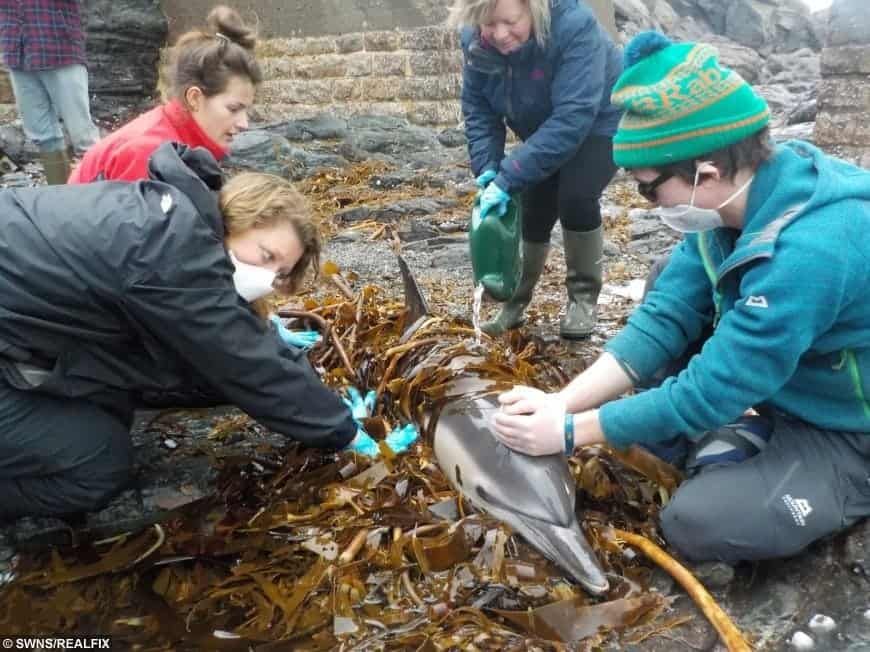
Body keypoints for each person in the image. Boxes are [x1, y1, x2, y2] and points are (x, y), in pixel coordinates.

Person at [491, 32, 870, 565]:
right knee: (669, 274)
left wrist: (573, 434)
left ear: (708, 173)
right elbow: (662, 319)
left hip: (849, 428)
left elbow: (711, 390)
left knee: (696, 524)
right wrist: (563, 404)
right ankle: (729, 430)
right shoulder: (736, 203)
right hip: (790, 384)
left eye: (650, 188)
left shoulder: (815, 249)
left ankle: (834, 477)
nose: (648, 204)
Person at [0, 142, 413, 521]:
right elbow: (245, 365)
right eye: (266, 255)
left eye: (280, 272)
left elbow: (229, 346)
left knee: (112, 407)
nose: (268, 276)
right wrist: (347, 434)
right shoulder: (170, 249)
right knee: (99, 463)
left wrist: (320, 396)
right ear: (238, 218)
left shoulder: (175, 216)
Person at [449, 0, 623, 339]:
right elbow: (479, 108)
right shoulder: (474, 39)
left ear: (534, 8)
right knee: (533, 205)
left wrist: (511, 173)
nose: (499, 34)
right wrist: (488, 168)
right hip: (540, 123)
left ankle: (582, 298)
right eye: (488, 25)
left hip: (599, 121)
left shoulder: (574, 27)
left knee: (576, 197)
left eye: (509, 22)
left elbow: (573, 116)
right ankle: (514, 301)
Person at [68, 5, 258, 184]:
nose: (244, 124)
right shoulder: (149, 154)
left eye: (246, 110)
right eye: (233, 108)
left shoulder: (184, 142)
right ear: (194, 98)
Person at [0, 0, 101, 184]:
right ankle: (60, 197)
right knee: (42, 135)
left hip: (60, 50)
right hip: (18, 54)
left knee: (83, 136)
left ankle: (101, 198)